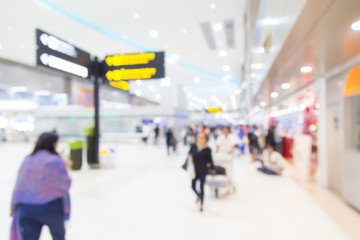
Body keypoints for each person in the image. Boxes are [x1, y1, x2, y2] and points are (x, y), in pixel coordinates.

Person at [10, 132, 72, 240]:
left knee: (30, 237)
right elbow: (65, 184)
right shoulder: (56, 161)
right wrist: (66, 167)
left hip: (26, 207)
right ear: (54, 144)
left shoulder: (28, 160)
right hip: (50, 207)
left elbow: (19, 185)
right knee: (58, 236)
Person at [187, 132, 214, 212]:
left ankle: (201, 204)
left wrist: (213, 171)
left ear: (205, 139)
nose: (200, 139)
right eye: (199, 137)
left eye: (202, 137)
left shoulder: (207, 149)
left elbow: (210, 161)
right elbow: (189, 154)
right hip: (194, 171)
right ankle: (198, 195)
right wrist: (189, 157)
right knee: (192, 186)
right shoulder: (194, 146)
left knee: (202, 187)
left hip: (203, 170)